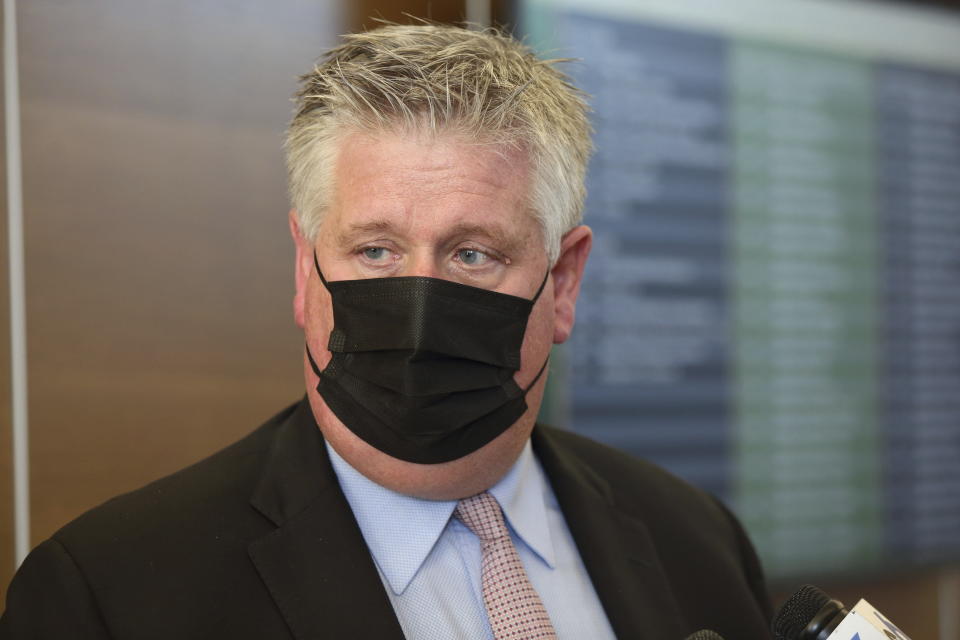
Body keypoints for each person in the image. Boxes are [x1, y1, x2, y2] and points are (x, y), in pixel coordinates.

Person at [0, 24, 772, 639]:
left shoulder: (698, 541)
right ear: (306, 271)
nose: (418, 305)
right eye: (375, 251)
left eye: (474, 254)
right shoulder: (110, 595)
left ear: (562, 283)